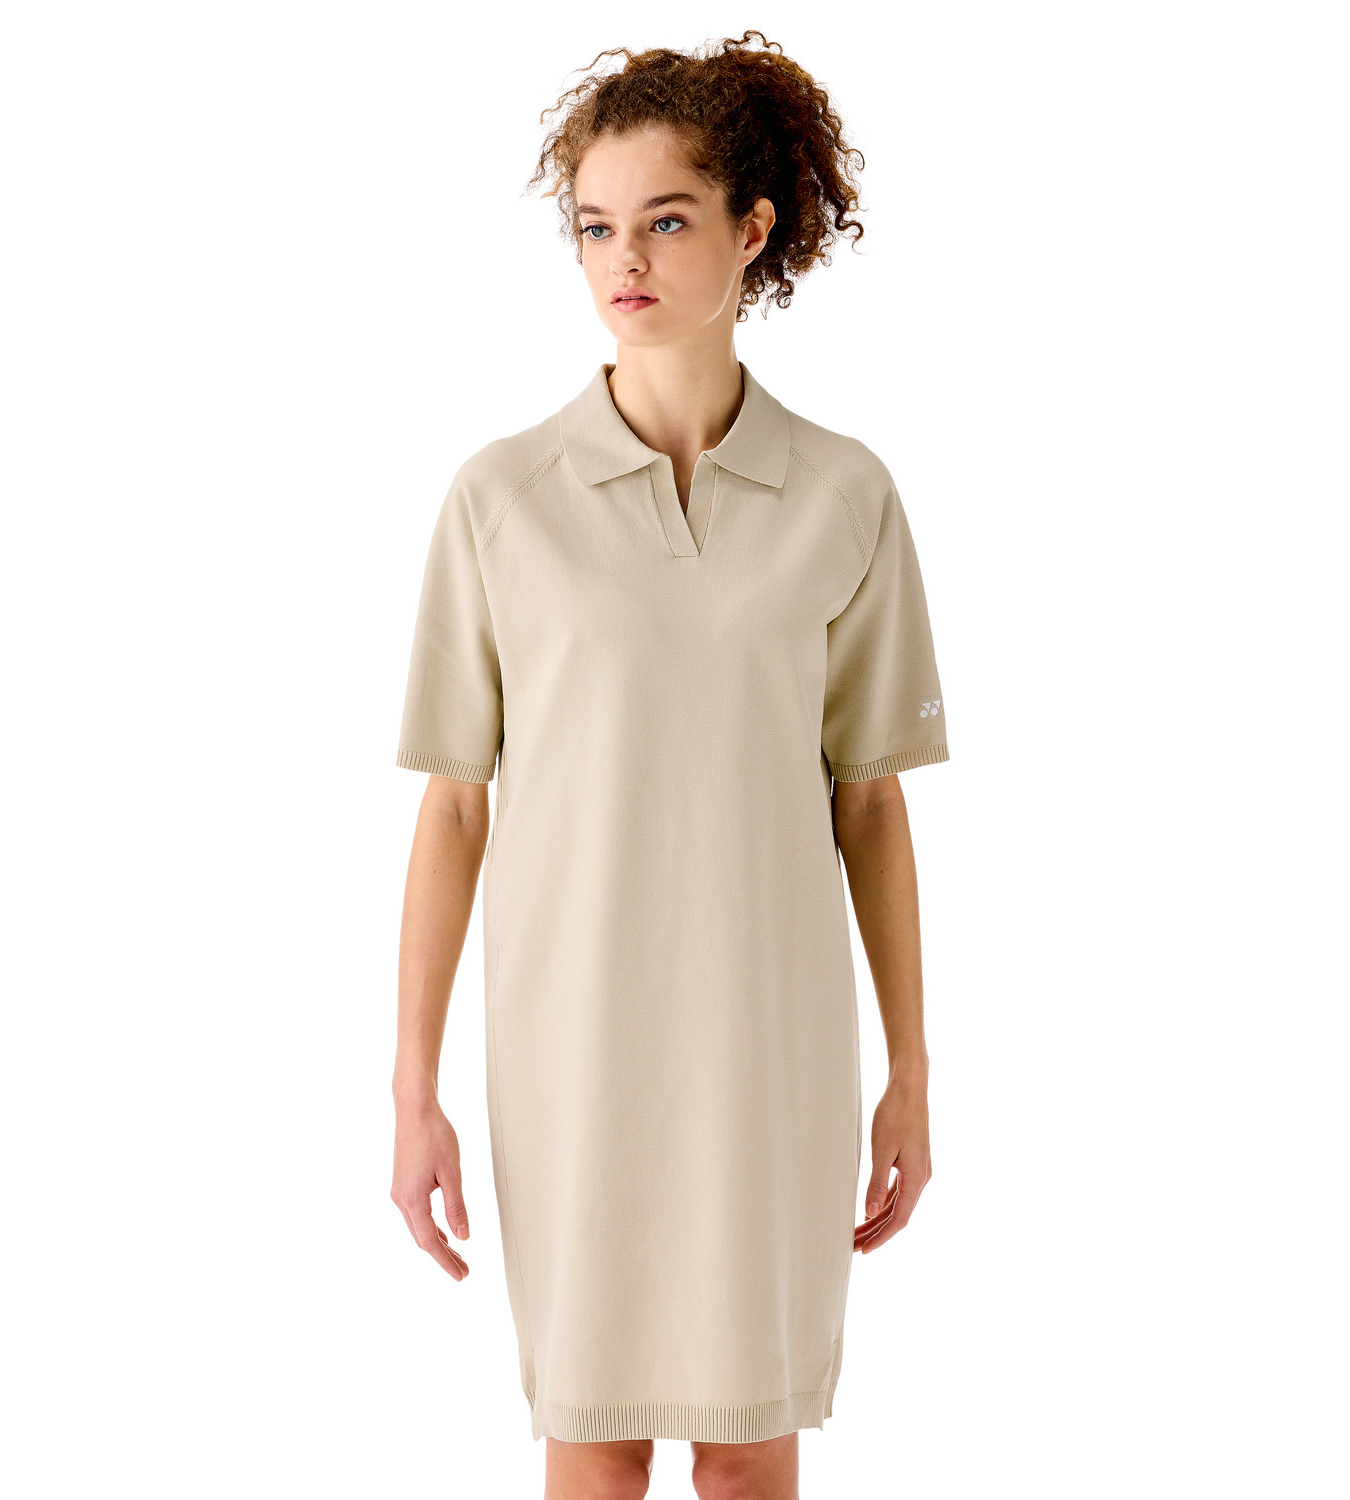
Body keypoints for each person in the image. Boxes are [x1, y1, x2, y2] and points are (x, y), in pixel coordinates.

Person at [390, 31, 950, 1500]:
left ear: (752, 230)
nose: (621, 260)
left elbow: (870, 804)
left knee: (753, 1450)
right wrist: (412, 1088)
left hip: (770, 1048)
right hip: (570, 1049)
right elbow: (455, 808)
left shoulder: (846, 495)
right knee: (594, 1448)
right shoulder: (501, 499)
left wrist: (910, 1074)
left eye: (665, 220)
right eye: (594, 226)